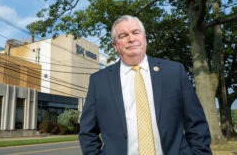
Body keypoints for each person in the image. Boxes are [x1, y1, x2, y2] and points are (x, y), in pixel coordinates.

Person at [79, 15, 211, 155]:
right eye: (123, 35)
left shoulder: (174, 72)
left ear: (144, 38)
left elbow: (196, 124)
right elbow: (87, 132)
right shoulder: (99, 81)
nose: (131, 39)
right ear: (115, 45)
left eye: (136, 32)